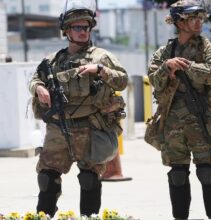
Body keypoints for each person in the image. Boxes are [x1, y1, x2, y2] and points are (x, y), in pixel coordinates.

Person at [29, 0, 128, 217]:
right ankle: (43, 215)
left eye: (86, 27)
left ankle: (88, 217)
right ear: (66, 31)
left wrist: (100, 70)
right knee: (47, 178)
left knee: (89, 178)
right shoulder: (53, 60)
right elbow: (35, 78)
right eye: (77, 27)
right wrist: (38, 88)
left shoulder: (101, 56)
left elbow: (122, 81)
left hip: (90, 127)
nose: (83, 32)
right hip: (58, 128)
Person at [147, 0, 211, 219]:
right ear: (179, 21)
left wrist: (187, 66)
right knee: (177, 175)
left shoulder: (207, 48)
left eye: (201, 18)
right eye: (193, 18)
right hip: (172, 124)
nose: (199, 22)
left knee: (207, 172)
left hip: (199, 121)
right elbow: (154, 79)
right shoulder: (164, 52)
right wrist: (167, 67)